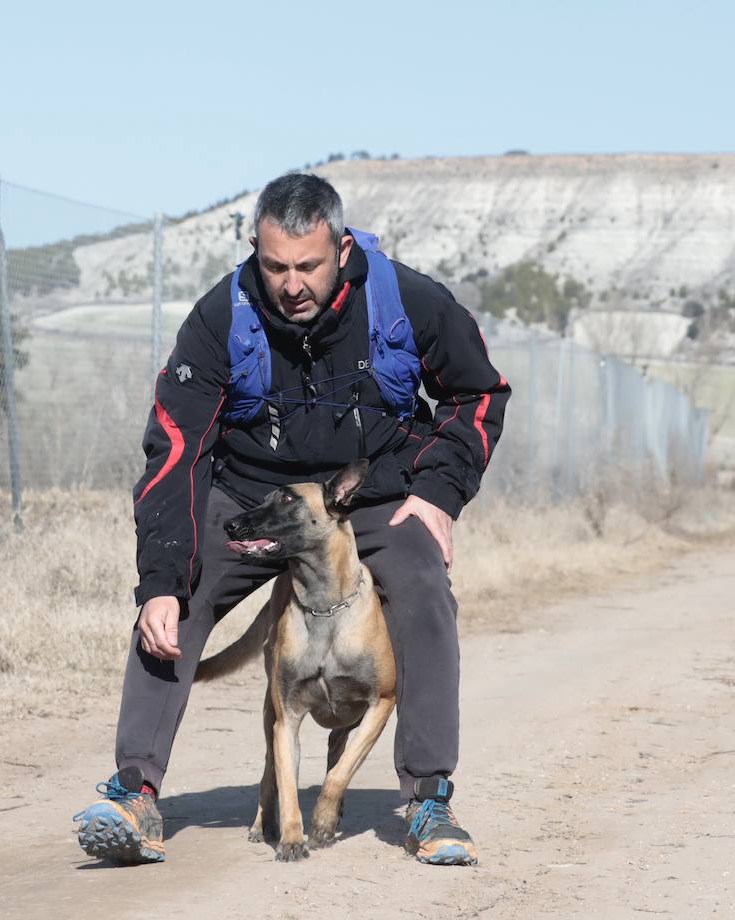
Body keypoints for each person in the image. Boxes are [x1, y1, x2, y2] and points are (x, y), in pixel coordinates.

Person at [73, 173, 511, 866]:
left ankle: (429, 798)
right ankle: (135, 790)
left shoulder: (406, 300)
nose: (292, 283)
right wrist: (160, 577)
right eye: (275, 266)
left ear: (340, 247)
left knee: (424, 586)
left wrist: (437, 493)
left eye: (308, 265)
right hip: (252, 497)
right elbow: (175, 451)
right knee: (171, 601)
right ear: (254, 249)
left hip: (372, 493)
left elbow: (479, 395)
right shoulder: (221, 318)